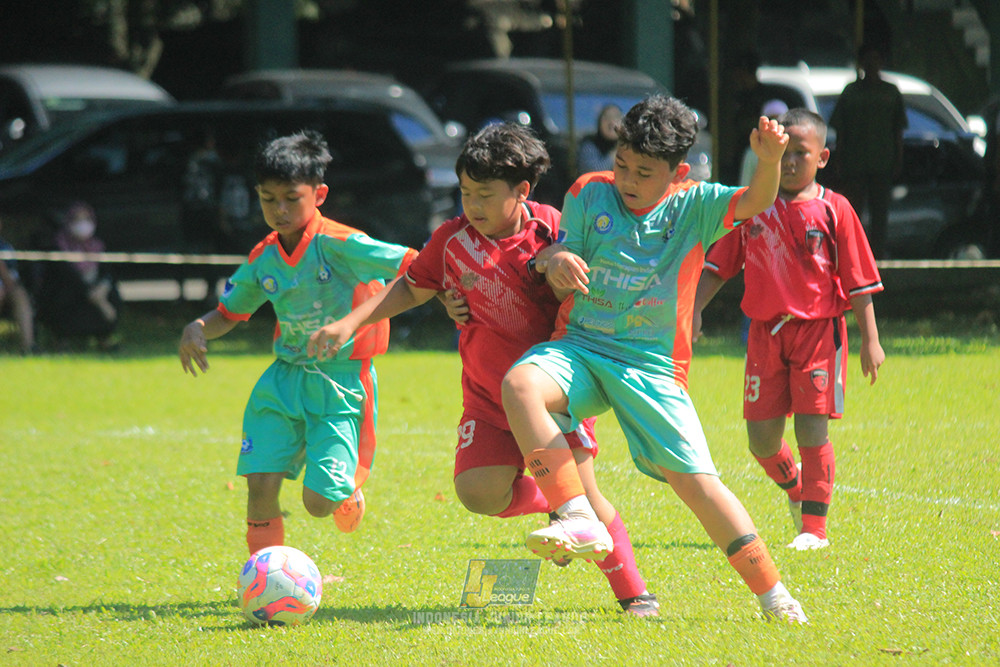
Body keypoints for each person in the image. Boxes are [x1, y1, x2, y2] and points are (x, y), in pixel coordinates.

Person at [307, 122, 659, 616]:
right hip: (488, 397)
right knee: (478, 492)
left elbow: (590, 286)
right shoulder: (453, 239)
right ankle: (555, 500)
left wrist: (557, 265)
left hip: (553, 394)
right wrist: (350, 322)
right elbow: (412, 286)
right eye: (466, 192)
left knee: (588, 495)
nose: (473, 205)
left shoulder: (555, 228)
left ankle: (635, 595)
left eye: (485, 195)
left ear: (522, 191)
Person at [500, 94, 809, 622]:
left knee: (698, 485)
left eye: (643, 173)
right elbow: (560, 255)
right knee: (521, 384)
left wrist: (770, 160)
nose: (627, 179)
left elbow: (758, 200)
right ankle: (577, 515)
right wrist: (557, 261)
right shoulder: (588, 192)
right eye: (621, 164)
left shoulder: (695, 205)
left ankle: (774, 594)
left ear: (677, 174)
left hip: (651, 366)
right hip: (581, 346)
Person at [178, 130, 418, 555]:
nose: (280, 210)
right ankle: (262, 577)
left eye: (291, 198)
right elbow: (229, 313)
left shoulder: (340, 244)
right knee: (260, 484)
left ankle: (344, 489)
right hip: (283, 381)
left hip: (341, 382)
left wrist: (355, 321)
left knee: (318, 504)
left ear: (319, 194)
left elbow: (416, 265)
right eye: (268, 199)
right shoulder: (264, 257)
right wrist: (197, 326)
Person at [694, 108, 885, 551]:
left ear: (822, 157)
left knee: (811, 432)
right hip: (765, 335)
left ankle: (814, 530)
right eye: (784, 153)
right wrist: (694, 310)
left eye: (802, 153)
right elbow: (720, 265)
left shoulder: (835, 209)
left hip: (818, 334)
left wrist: (870, 339)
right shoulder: (752, 206)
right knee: (761, 442)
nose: (792, 162)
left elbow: (858, 280)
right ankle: (797, 490)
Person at [828, 42, 907, 260]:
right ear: (861, 62)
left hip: (882, 163)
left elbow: (898, 130)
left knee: (880, 215)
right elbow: (840, 130)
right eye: (868, 59)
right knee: (852, 213)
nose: (872, 64)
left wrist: (898, 159)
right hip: (854, 164)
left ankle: (877, 257)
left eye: (876, 59)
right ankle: (851, 256)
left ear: (882, 62)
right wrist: (839, 160)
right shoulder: (851, 92)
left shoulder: (890, 92)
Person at [35, 200, 120, 351]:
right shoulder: (58, 246)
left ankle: (104, 337)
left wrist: (102, 288)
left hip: (96, 291)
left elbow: (108, 273)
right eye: (77, 219)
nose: (83, 224)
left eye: (86, 219)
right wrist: (92, 294)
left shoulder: (98, 246)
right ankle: (62, 339)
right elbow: (65, 276)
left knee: (112, 293)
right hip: (71, 292)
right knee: (64, 296)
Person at [0, 216, 36, 355]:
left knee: (20, 295)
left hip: (7, 285)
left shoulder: (6, 247)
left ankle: (28, 346)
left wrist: (5, 277)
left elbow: (12, 276)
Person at [577, 104, 623, 174]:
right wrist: (614, 155)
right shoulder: (589, 145)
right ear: (599, 123)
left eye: (616, 117)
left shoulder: (628, 146)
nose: (612, 122)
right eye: (607, 118)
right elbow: (595, 172)